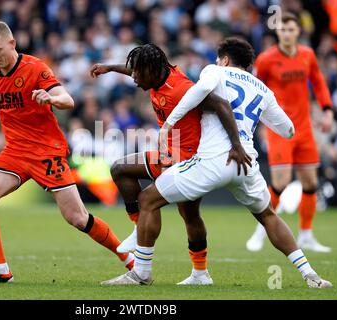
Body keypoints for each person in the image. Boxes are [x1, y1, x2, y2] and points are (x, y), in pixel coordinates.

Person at [101, 38, 332, 289]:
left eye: (217, 59)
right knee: (267, 215)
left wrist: (171, 123)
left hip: (213, 159)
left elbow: (209, 98)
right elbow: (287, 130)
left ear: (224, 59)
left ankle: (140, 273)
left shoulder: (214, 72)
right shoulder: (264, 90)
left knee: (148, 199)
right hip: (246, 162)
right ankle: (311, 275)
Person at [0, 21, 134, 283]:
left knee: (77, 218)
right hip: (15, 152)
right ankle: (2, 270)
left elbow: (68, 100)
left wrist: (51, 99)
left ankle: (129, 258)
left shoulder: (35, 68)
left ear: (12, 44)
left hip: (47, 152)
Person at [90, 44, 251, 285]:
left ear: (152, 71)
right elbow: (134, 70)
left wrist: (236, 145)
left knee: (164, 204)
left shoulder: (181, 89)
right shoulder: (155, 75)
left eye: (137, 73)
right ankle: (195, 270)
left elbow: (220, 105)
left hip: (187, 156)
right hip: (170, 149)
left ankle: (154, 271)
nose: (133, 78)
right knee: (124, 172)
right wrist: (110, 68)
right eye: (133, 72)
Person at [246, 12, 334, 253]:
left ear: (298, 32)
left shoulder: (307, 55)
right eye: (283, 30)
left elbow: (318, 82)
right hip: (279, 129)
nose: (286, 33)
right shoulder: (266, 60)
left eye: (291, 29)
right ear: (278, 33)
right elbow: (256, 89)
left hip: (304, 128)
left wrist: (327, 110)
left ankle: (306, 235)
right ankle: (261, 230)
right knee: (281, 183)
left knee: (310, 183)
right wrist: (259, 124)